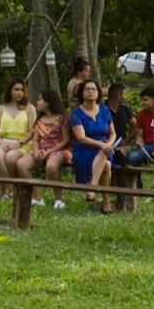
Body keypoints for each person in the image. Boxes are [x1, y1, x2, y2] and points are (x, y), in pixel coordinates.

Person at [69, 79, 116, 210]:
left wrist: (109, 144)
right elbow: (81, 138)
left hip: (104, 148)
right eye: (87, 89)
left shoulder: (104, 110)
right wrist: (101, 145)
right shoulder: (76, 113)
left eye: (93, 89)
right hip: (85, 148)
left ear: (98, 93)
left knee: (105, 155)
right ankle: (105, 202)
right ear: (82, 93)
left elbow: (113, 133)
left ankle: (92, 187)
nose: (91, 91)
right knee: (106, 165)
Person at [0, 79, 36, 196]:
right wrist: (1, 142)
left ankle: (19, 190)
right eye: (16, 89)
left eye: (22, 90)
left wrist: (19, 143)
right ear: (10, 91)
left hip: (23, 143)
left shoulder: (29, 108)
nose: (20, 93)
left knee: (10, 158)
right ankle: (12, 191)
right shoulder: (1, 108)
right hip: (5, 141)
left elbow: (33, 131)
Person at [105, 83, 133, 170]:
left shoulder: (125, 109)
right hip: (106, 144)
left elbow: (136, 125)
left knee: (131, 159)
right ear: (118, 96)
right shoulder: (102, 109)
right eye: (124, 94)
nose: (125, 97)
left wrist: (126, 140)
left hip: (121, 145)